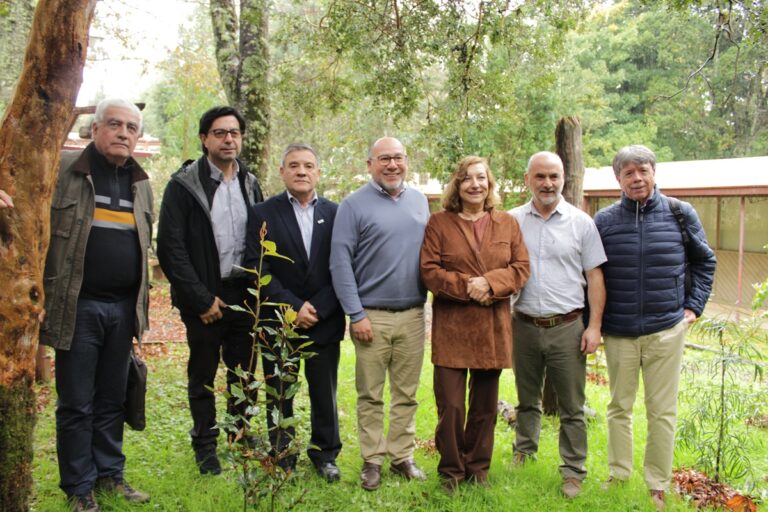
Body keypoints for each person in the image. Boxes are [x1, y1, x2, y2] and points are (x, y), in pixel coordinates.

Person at [39, 98, 152, 512]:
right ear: (95, 129)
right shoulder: (64, 169)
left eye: (132, 128)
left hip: (123, 309)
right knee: (76, 402)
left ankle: (110, 476)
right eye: (115, 124)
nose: (124, 133)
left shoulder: (141, 183)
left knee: (112, 398)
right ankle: (79, 487)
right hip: (77, 306)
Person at [594, 145, 716, 510]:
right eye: (628, 173)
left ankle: (657, 484)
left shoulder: (680, 213)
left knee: (662, 411)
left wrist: (694, 306)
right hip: (619, 330)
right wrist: (593, 324)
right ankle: (618, 474)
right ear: (618, 179)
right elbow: (592, 275)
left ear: (653, 172)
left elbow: (705, 261)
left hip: (666, 329)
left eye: (642, 171)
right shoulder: (604, 221)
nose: (637, 178)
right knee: (619, 406)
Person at [156, 106, 263, 476]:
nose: (228, 139)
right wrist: (200, 299)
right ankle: (205, 444)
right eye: (219, 133)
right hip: (204, 295)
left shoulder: (250, 183)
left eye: (234, 132)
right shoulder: (184, 186)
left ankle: (240, 432)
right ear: (204, 139)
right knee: (202, 374)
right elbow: (170, 248)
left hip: (244, 293)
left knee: (244, 371)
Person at [420, 156, 530, 493]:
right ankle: (451, 472)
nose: (475, 184)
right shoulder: (439, 223)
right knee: (451, 406)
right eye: (467, 178)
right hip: (452, 327)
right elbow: (429, 270)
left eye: (481, 178)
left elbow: (521, 267)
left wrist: (491, 283)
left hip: (491, 327)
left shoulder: (507, 223)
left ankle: (477, 470)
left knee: (484, 407)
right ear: (457, 185)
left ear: (489, 184)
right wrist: (469, 286)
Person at [330, 137, 430, 491]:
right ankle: (372, 460)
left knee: (407, 393)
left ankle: (402, 457)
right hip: (371, 316)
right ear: (370, 164)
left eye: (398, 158)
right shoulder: (353, 205)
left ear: (407, 161)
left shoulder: (419, 201)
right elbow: (340, 263)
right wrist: (355, 314)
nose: (392, 165)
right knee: (370, 394)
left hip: (414, 314)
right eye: (384, 158)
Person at [243, 143, 345, 482]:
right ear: (282, 171)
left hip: (324, 320)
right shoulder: (262, 213)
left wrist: (319, 307)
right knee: (279, 393)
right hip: (279, 322)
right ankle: (282, 455)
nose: (302, 171)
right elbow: (257, 266)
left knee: (324, 393)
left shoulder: (336, 213)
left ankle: (325, 455)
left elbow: (344, 265)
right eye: (294, 165)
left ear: (318, 172)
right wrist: (293, 307)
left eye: (308, 165)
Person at [509, 151, 607, 499]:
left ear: (564, 179)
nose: (548, 183)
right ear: (527, 180)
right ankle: (524, 451)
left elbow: (595, 277)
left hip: (568, 326)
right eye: (540, 176)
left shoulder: (582, 223)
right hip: (523, 324)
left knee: (572, 406)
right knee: (526, 399)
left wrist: (594, 327)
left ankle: (573, 470)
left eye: (554, 176)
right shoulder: (511, 221)